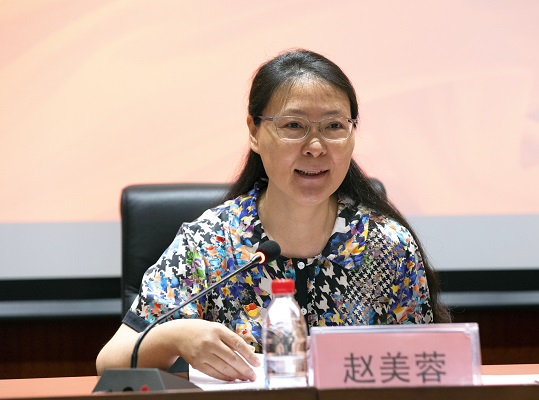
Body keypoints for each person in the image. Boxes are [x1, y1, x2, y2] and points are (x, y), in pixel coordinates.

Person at [96, 49, 451, 382]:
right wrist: (173, 337)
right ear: (254, 132)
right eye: (294, 125)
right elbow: (110, 362)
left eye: (334, 126)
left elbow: (427, 366)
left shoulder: (386, 245)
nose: (316, 147)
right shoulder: (210, 243)